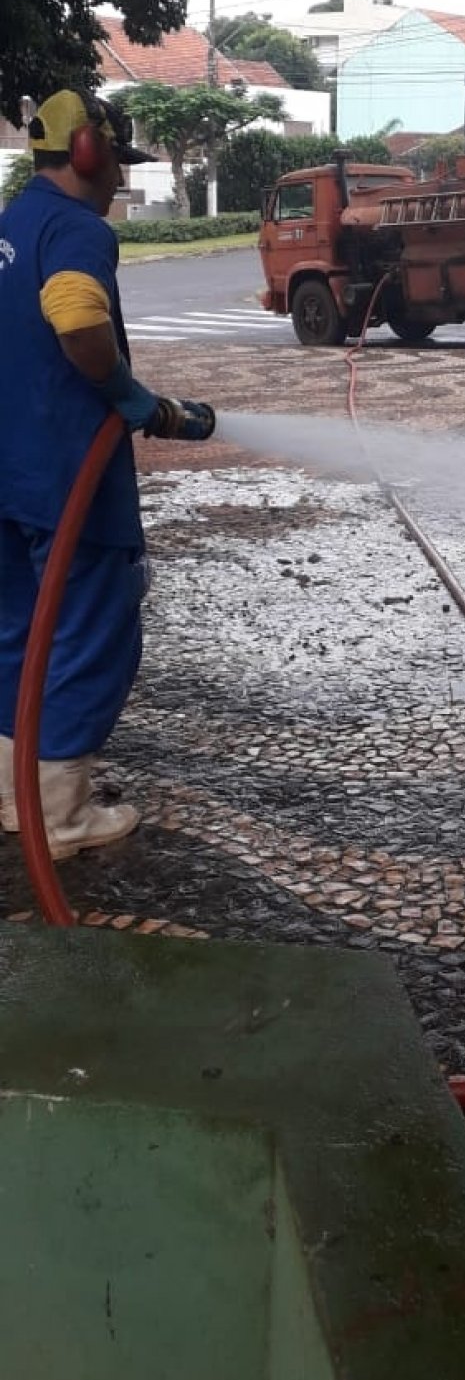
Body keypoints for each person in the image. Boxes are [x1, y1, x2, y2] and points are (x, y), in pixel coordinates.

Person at [0, 88, 215, 861]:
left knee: (16, 635)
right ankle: (57, 816)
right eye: (116, 163)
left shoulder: (9, 225)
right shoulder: (75, 229)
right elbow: (77, 315)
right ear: (88, 152)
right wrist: (129, 398)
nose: (119, 182)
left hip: (8, 475)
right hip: (68, 480)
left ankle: (12, 793)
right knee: (90, 634)